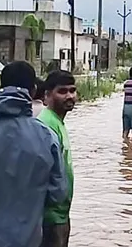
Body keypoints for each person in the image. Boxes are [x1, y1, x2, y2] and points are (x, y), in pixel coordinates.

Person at [0, 61, 67, 247]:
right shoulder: (47, 136)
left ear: (0, 87)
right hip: (27, 238)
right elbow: (58, 194)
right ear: (33, 91)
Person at [38, 70, 76, 247]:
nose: (69, 96)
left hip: (60, 213)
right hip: (50, 216)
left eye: (72, 90)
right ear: (46, 96)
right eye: (62, 91)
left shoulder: (57, 122)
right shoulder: (46, 125)